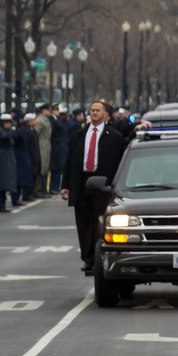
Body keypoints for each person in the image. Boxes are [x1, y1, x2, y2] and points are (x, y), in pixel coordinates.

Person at [60, 99, 128, 272]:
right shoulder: (78, 136)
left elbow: (121, 162)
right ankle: (88, 258)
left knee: (101, 221)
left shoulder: (114, 137)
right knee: (83, 221)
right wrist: (65, 185)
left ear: (105, 114)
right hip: (82, 183)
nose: (94, 113)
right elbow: (69, 162)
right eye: (92, 110)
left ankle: (102, 256)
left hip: (103, 184)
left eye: (98, 110)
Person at [0, 113, 20, 212]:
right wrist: (12, 131)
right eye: (9, 122)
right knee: (1, 183)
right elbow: (6, 136)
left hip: (7, 158)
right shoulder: (0, 131)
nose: (10, 125)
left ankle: (1, 204)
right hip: (2, 159)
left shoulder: (7, 131)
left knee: (5, 183)